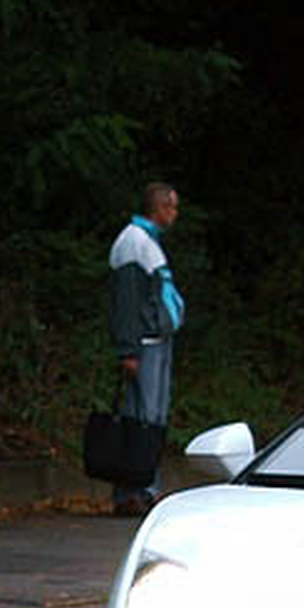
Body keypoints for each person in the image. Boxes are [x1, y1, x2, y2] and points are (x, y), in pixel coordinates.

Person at [105, 182, 184, 514]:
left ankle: (142, 488)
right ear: (159, 208)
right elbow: (126, 301)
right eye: (173, 207)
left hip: (158, 341)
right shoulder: (133, 242)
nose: (175, 214)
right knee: (142, 419)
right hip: (145, 344)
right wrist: (128, 349)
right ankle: (134, 491)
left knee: (151, 417)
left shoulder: (148, 242)